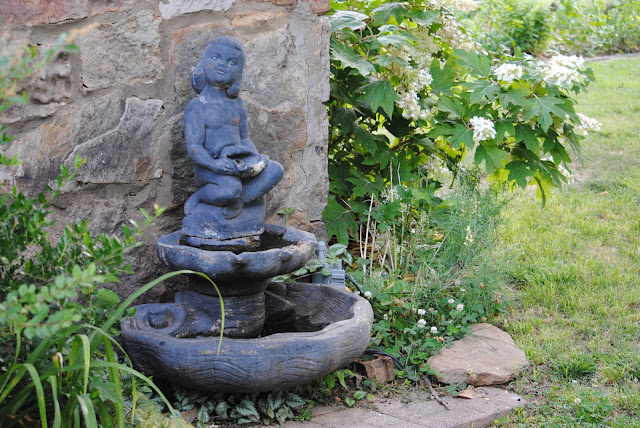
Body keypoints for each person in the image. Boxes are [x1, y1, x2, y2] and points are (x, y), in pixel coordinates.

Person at [183, 37, 283, 220]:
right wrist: (214, 164)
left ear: (238, 73)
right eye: (215, 58)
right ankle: (201, 196)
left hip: (238, 163)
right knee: (230, 190)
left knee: (276, 170)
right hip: (211, 169)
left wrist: (255, 160)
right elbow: (194, 146)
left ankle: (241, 200)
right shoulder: (197, 106)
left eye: (231, 62)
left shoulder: (238, 105)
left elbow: (244, 139)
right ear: (203, 64)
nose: (222, 65)